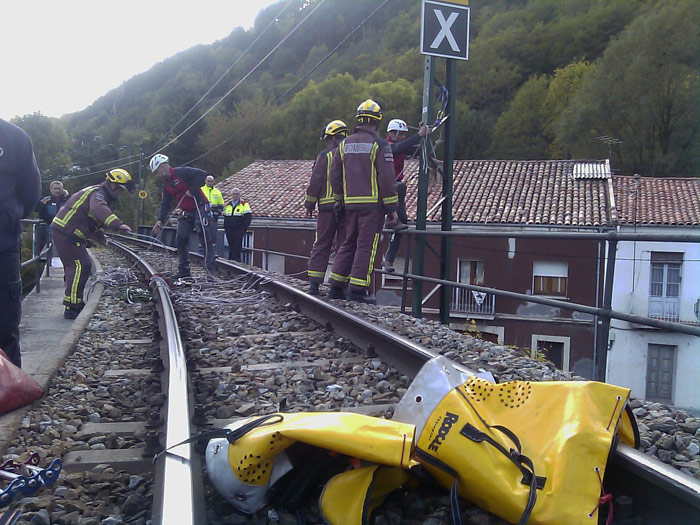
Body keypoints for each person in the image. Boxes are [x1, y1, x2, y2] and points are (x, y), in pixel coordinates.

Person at [327, 100, 399, 304]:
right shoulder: (380, 145)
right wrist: (392, 209)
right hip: (372, 206)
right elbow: (386, 179)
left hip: (350, 205)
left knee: (348, 243)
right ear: (377, 122)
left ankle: (336, 286)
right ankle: (357, 290)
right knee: (366, 245)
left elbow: (335, 176)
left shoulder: (343, 145)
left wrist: (339, 199)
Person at [51, 169, 134, 319]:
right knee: (80, 265)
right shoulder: (98, 194)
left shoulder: (96, 192)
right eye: (121, 190)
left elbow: (91, 218)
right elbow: (97, 210)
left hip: (66, 231)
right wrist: (117, 224)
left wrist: (101, 235)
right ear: (113, 185)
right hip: (67, 233)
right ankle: (72, 307)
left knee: (77, 265)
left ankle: (74, 303)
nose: (120, 194)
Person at [0, 118, 41, 368]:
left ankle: (9, 391)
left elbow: (30, 191)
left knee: (5, 325)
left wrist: (8, 217)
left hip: (2, 247)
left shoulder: (14, 137)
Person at [150, 154, 216, 278]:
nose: (157, 175)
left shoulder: (182, 172)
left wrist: (192, 190)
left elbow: (202, 175)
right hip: (186, 211)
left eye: (157, 172)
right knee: (180, 238)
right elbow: (165, 203)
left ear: (163, 166)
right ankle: (184, 270)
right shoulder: (167, 185)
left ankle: (210, 270)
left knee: (204, 236)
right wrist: (160, 220)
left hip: (200, 206)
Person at [304, 120, 349, 296]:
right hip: (347, 208)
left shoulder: (325, 156)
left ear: (330, 138)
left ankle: (314, 285)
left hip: (326, 208)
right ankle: (337, 288)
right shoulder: (350, 154)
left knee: (322, 243)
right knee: (344, 246)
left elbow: (316, 180)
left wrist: (309, 203)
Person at [382, 118, 428, 272]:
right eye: (400, 134)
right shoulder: (386, 146)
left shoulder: (398, 146)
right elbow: (400, 147)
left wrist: (425, 137)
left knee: (402, 223)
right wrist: (418, 135)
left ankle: (389, 259)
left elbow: (409, 147)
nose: (402, 137)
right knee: (400, 186)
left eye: (403, 134)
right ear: (392, 133)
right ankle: (390, 215)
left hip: (395, 190)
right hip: (387, 187)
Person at [35, 180, 69, 255]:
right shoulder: (45, 201)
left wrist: (67, 195)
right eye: (55, 188)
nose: (57, 191)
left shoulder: (67, 201)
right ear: (51, 189)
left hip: (63, 228)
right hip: (49, 227)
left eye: (59, 189)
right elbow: (41, 215)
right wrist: (54, 220)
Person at [223, 188, 252, 262]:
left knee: (237, 246)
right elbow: (225, 217)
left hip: (238, 229)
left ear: (239, 195)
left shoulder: (244, 204)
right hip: (229, 229)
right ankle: (230, 262)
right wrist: (226, 227)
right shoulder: (228, 205)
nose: (235, 195)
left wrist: (243, 229)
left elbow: (248, 217)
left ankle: (236, 262)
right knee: (231, 246)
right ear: (231, 195)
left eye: (237, 194)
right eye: (234, 194)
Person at [200, 175, 224, 256]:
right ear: (205, 181)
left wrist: (217, 213)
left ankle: (212, 254)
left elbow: (221, 205)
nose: (210, 183)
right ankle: (202, 253)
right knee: (202, 235)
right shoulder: (200, 190)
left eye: (211, 181)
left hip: (213, 218)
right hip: (202, 217)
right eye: (208, 181)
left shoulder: (217, 192)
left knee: (213, 236)